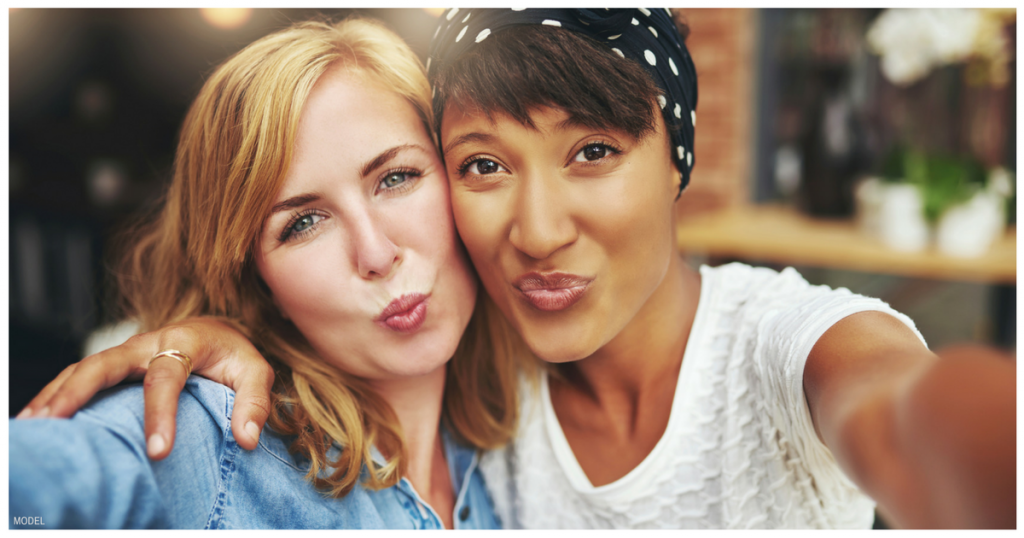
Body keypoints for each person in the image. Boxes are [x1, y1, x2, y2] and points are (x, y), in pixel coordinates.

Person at [21, 8, 1015, 529]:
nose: (536, 231)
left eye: (591, 151)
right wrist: (217, 336)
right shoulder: (231, 427)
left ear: (678, 160)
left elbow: (908, 408)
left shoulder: (766, 349)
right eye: (485, 166)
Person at [9, 17, 520, 529]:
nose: (377, 253)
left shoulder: (516, 444)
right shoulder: (208, 436)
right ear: (258, 283)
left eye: (397, 177)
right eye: (303, 223)